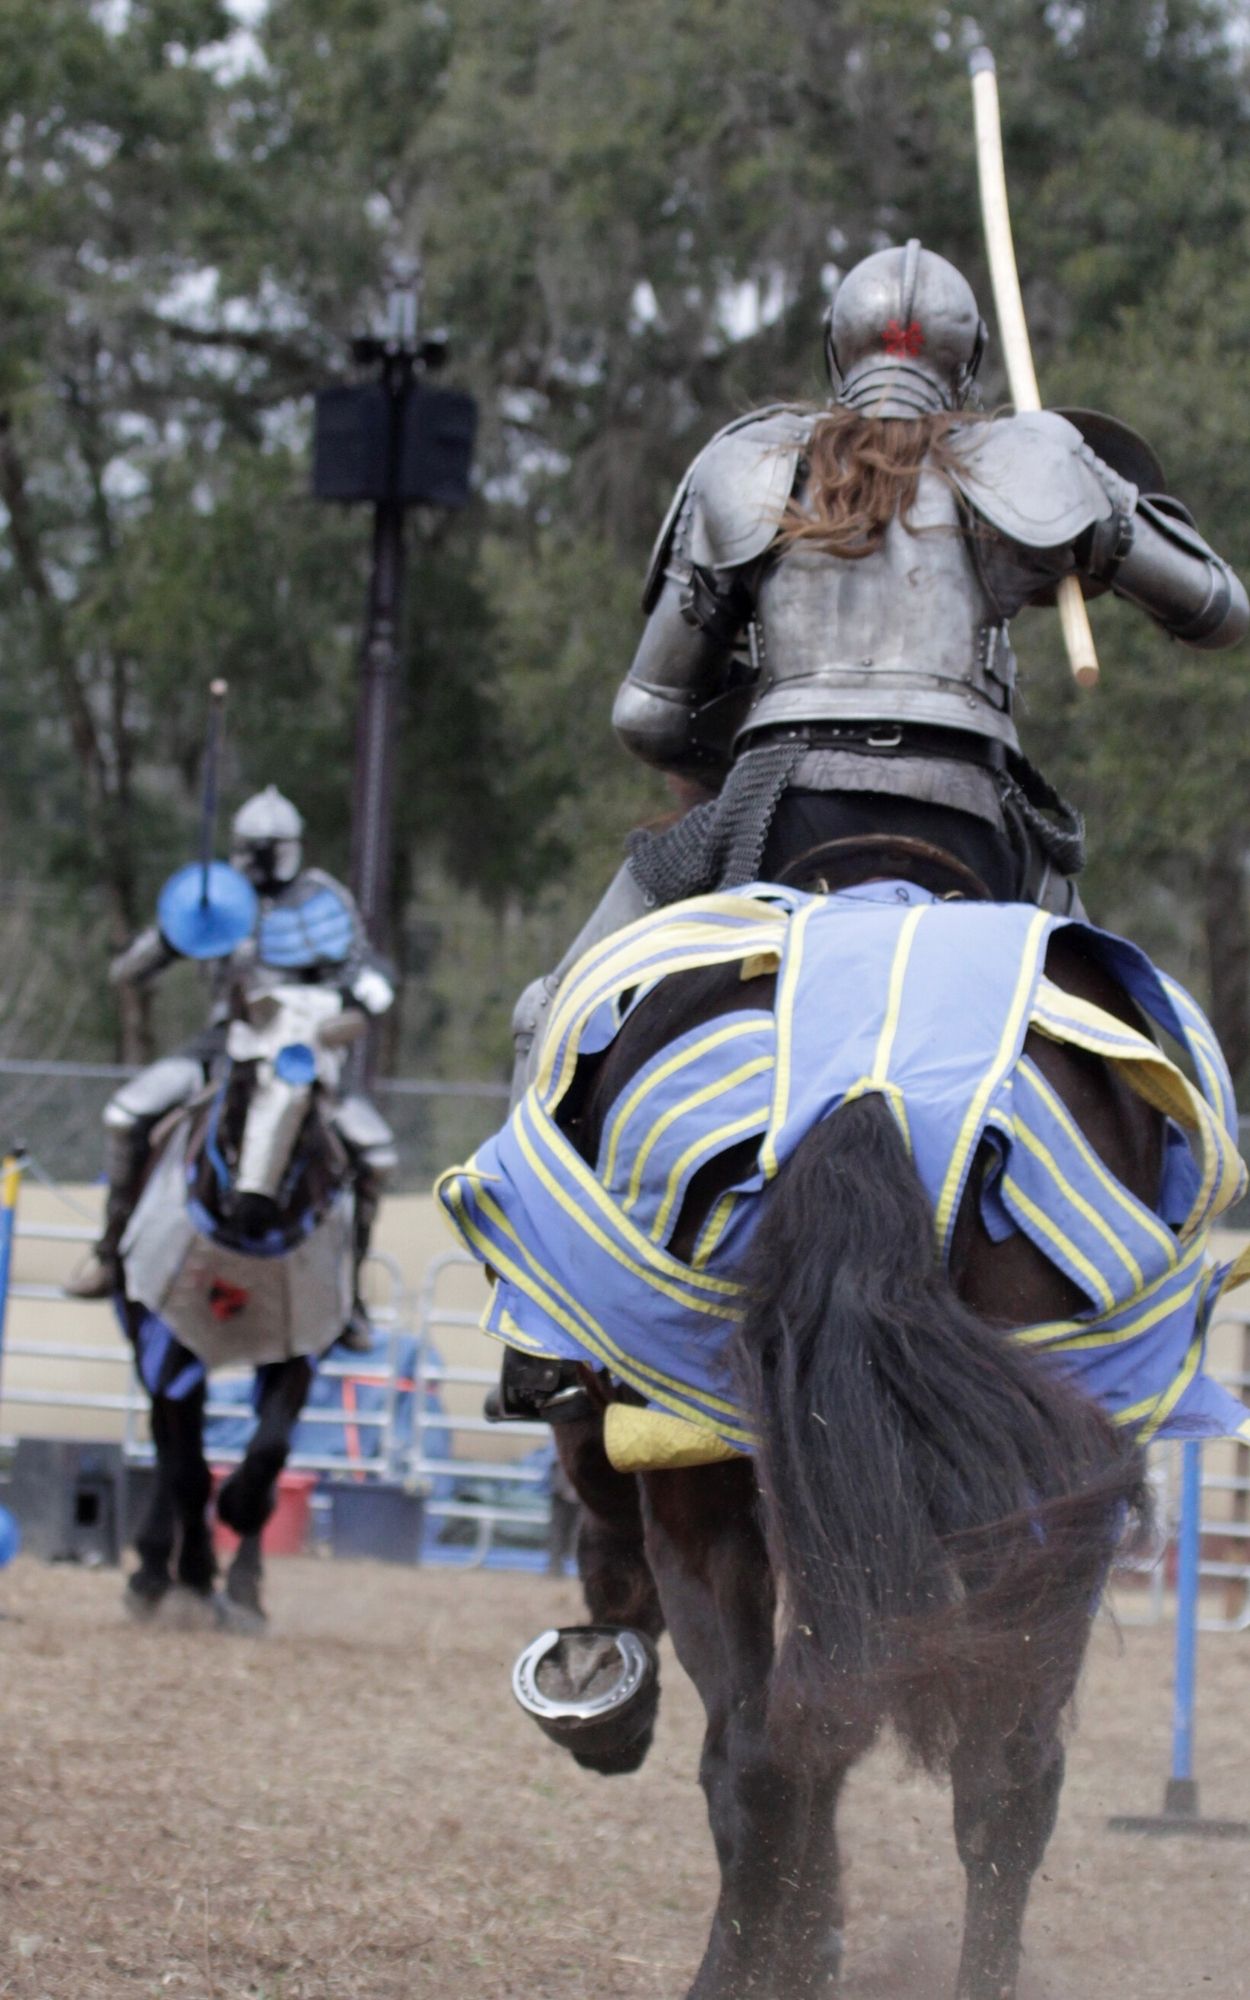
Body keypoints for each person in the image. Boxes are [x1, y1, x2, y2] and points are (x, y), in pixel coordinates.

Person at [499, 237, 1247, 1417]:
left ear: (830, 352)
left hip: (778, 808)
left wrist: (749, 735)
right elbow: (1217, 610)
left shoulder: (748, 467)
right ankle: (1128, 1325)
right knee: (1122, 1061)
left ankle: (542, 1329)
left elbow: (644, 711)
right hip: (977, 823)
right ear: (970, 361)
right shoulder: (1029, 464)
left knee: (556, 1013)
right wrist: (1092, 518)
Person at [66, 787, 397, 1351]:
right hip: (225, 1045)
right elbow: (131, 972)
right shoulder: (221, 895)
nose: (255, 861)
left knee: (377, 1157)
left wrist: (363, 994)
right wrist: (179, 926)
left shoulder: (324, 899)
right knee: (125, 1117)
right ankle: (109, 1252)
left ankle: (349, 1297)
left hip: (305, 1053)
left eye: (264, 850)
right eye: (248, 849)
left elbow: (369, 972)